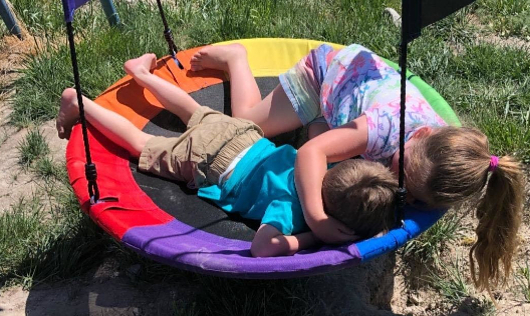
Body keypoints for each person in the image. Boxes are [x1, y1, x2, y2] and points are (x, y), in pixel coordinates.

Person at [188, 43, 523, 288]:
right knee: (245, 123)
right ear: (421, 133)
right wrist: (317, 221)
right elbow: (310, 154)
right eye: (397, 172)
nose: (394, 181)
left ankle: (324, 122)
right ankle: (235, 59)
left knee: (340, 166)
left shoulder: (438, 154)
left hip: (349, 105)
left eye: (411, 193)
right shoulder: (385, 125)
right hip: (326, 77)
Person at [55, 54, 397, 258]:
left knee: (192, 109)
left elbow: (319, 135)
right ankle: (81, 105)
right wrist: (312, 237)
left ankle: (142, 73)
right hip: (208, 161)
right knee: (141, 143)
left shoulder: (326, 162)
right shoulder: (291, 210)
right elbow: (264, 248)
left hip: (243, 136)